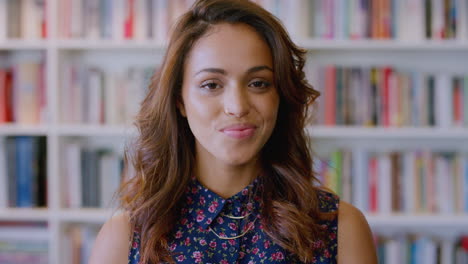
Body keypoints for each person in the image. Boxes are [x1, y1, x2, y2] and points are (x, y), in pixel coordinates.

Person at [89, 0, 377, 263]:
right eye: (211, 85)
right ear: (180, 101)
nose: (237, 107)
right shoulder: (125, 238)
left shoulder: (340, 228)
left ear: (280, 96)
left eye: (258, 83)